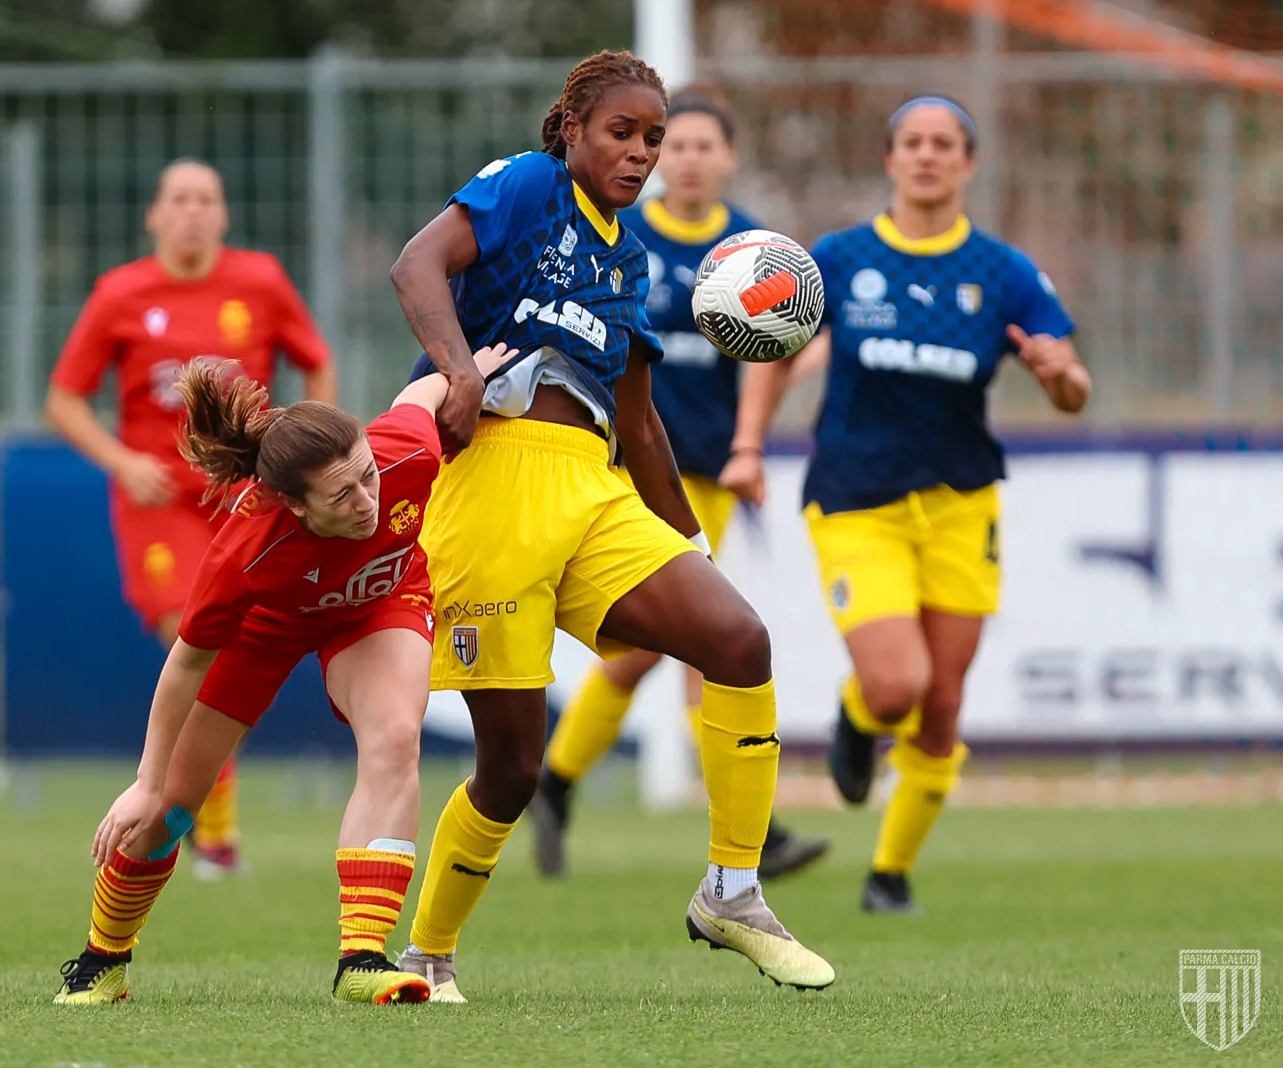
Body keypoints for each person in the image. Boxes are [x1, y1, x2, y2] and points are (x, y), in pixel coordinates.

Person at [387, 50, 836, 1002]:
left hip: (594, 486)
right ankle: (428, 953)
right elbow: (415, 263)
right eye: (621, 133)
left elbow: (640, 425)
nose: (640, 153)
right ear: (572, 131)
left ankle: (732, 892)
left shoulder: (627, 259)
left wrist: (693, 548)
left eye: (652, 139)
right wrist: (459, 373)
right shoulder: (527, 184)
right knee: (511, 769)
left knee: (737, 638)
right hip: (492, 487)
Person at [52, 341, 518, 1007]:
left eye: (367, 475)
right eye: (342, 493)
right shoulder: (246, 552)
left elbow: (423, 395)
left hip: (378, 600)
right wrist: (146, 783)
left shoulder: (404, 452)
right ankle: (104, 960)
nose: (367, 499)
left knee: (394, 739)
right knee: (171, 811)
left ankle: (362, 959)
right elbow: (186, 663)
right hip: (265, 630)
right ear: (294, 506)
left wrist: (464, 375)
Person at [739, 96, 1090, 915]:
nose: (927, 155)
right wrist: (747, 444)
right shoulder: (839, 258)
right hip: (857, 499)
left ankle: (889, 876)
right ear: (890, 159)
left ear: (968, 163)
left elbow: (1074, 384)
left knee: (943, 703)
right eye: (913, 142)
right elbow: (772, 351)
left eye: (944, 144)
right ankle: (860, 717)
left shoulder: (1003, 272)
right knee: (899, 685)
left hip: (962, 505)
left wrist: (1059, 376)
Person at [528, 89, 831, 882]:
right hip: (618, 468)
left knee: (657, 651)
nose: (689, 159)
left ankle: (554, 783)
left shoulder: (753, 251)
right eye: (678, 145)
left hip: (701, 476)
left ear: (730, 158)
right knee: (693, 642)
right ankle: (754, 833)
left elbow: (774, 355)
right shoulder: (622, 234)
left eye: (704, 146)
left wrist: (749, 446)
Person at [47, 158, 336, 879]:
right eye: (178, 199)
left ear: (224, 214)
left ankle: (197, 825)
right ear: (154, 215)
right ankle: (214, 836)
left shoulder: (260, 282)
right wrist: (121, 461)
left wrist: (306, 442)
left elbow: (317, 361)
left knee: (235, 654)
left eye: (206, 199)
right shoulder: (121, 294)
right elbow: (63, 399)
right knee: (196, 639)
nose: (193, 212)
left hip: (246, 499)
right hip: (161, 503)